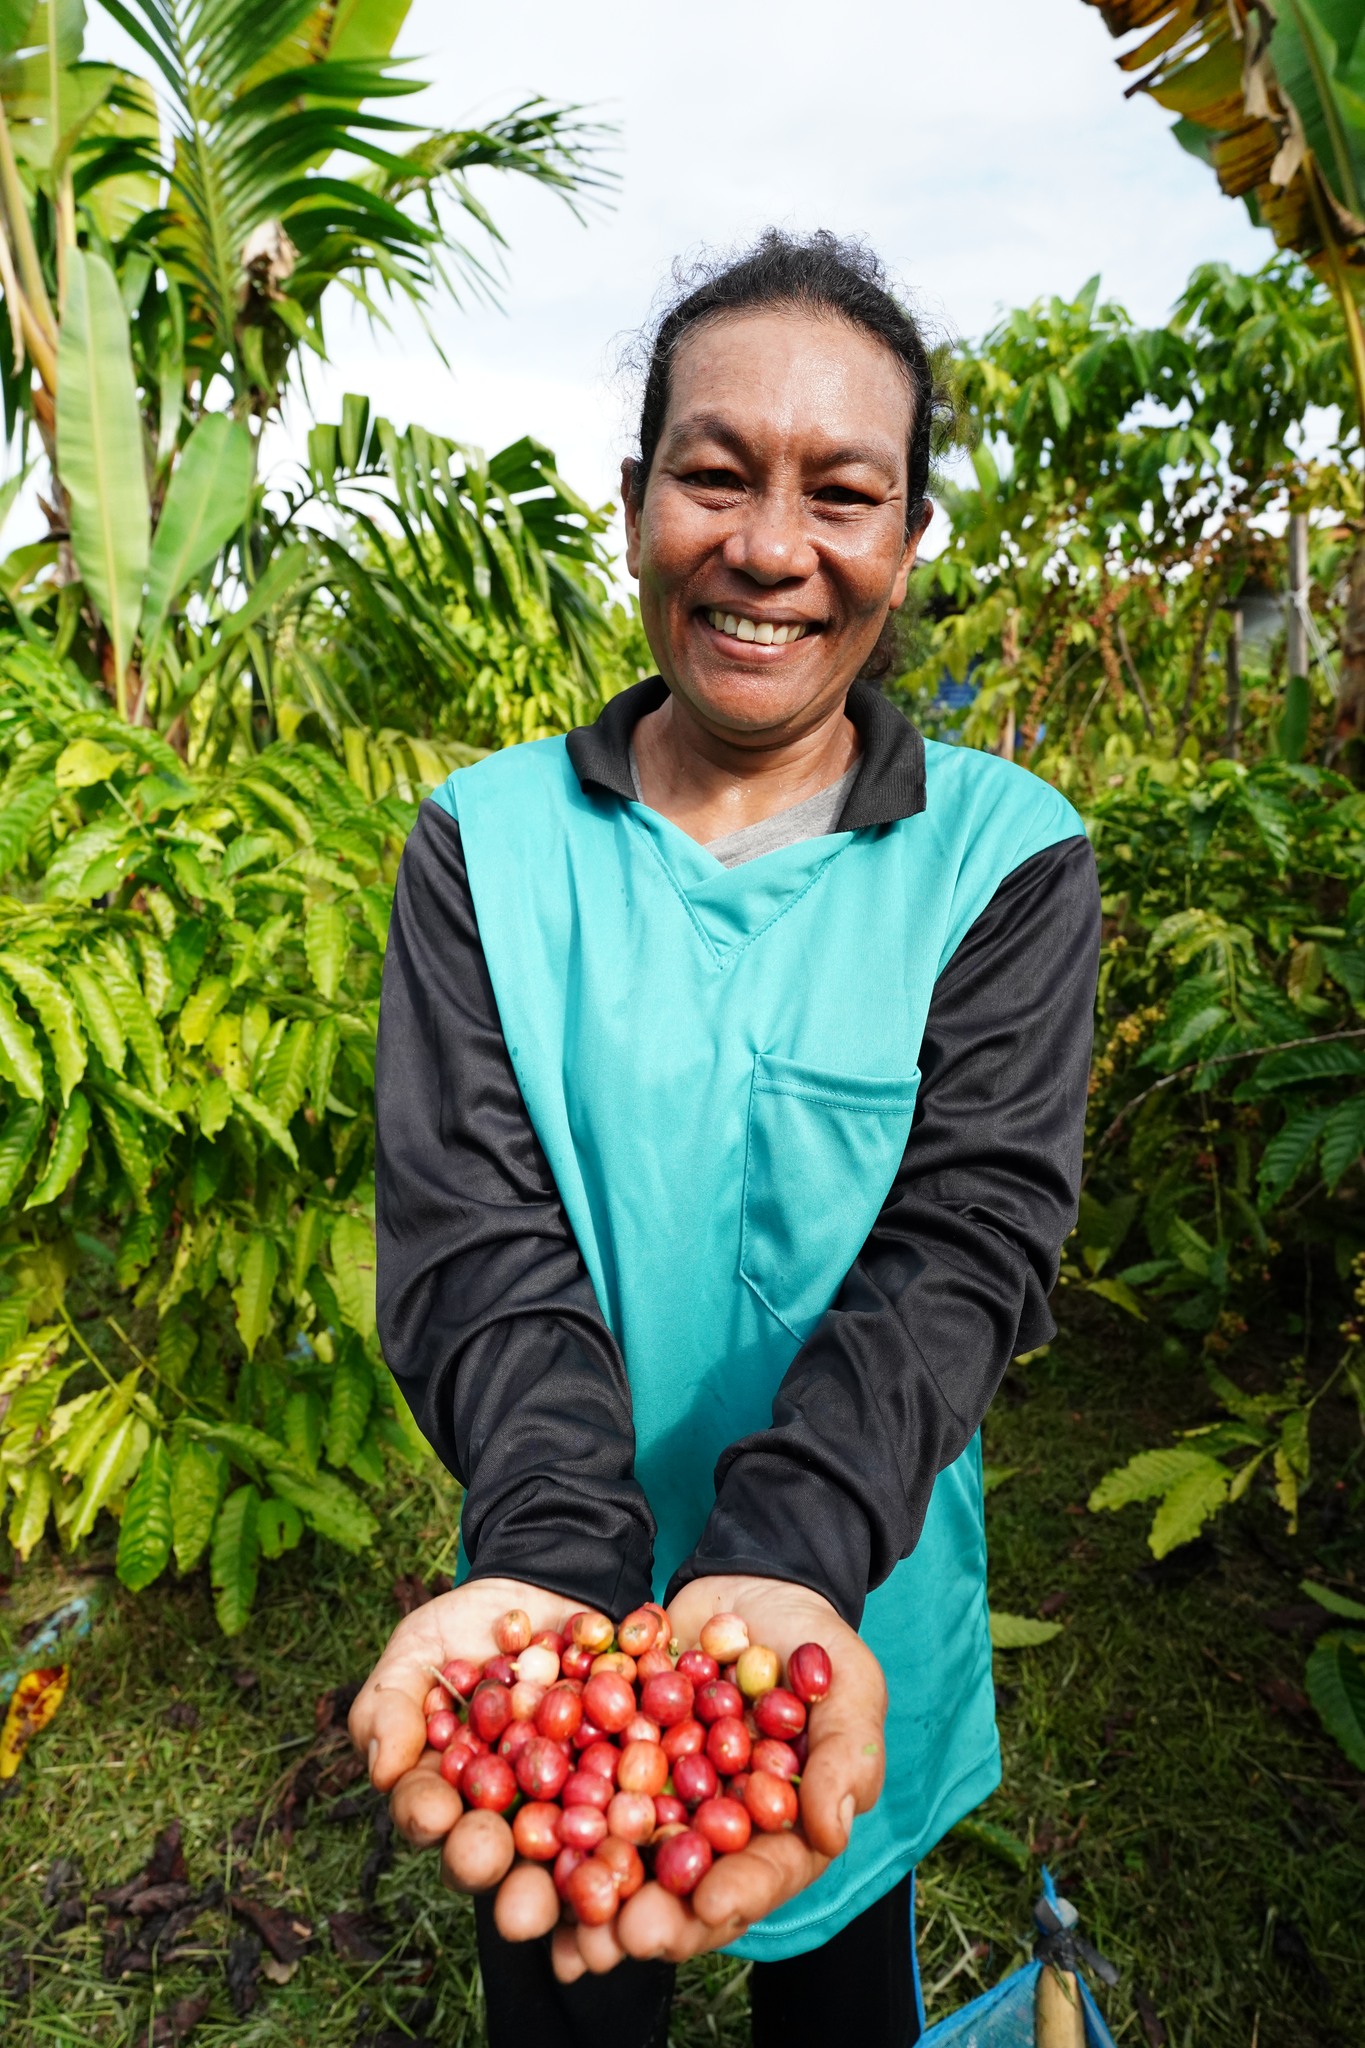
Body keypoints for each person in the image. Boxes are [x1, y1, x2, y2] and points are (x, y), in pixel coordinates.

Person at [350, 228, 1100, 2048]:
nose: (771, 548)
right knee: (564, 1980)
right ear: (635, 508)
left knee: (835, 1976)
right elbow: (474, 1238)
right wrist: (567, 1587)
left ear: (904, 542)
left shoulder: (1004, 856)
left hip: (849, 1616)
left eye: (840, 493)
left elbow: (959, 1251)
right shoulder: (485, 843)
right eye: (715, 473)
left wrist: (785, 1563)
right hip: (549, 1602)